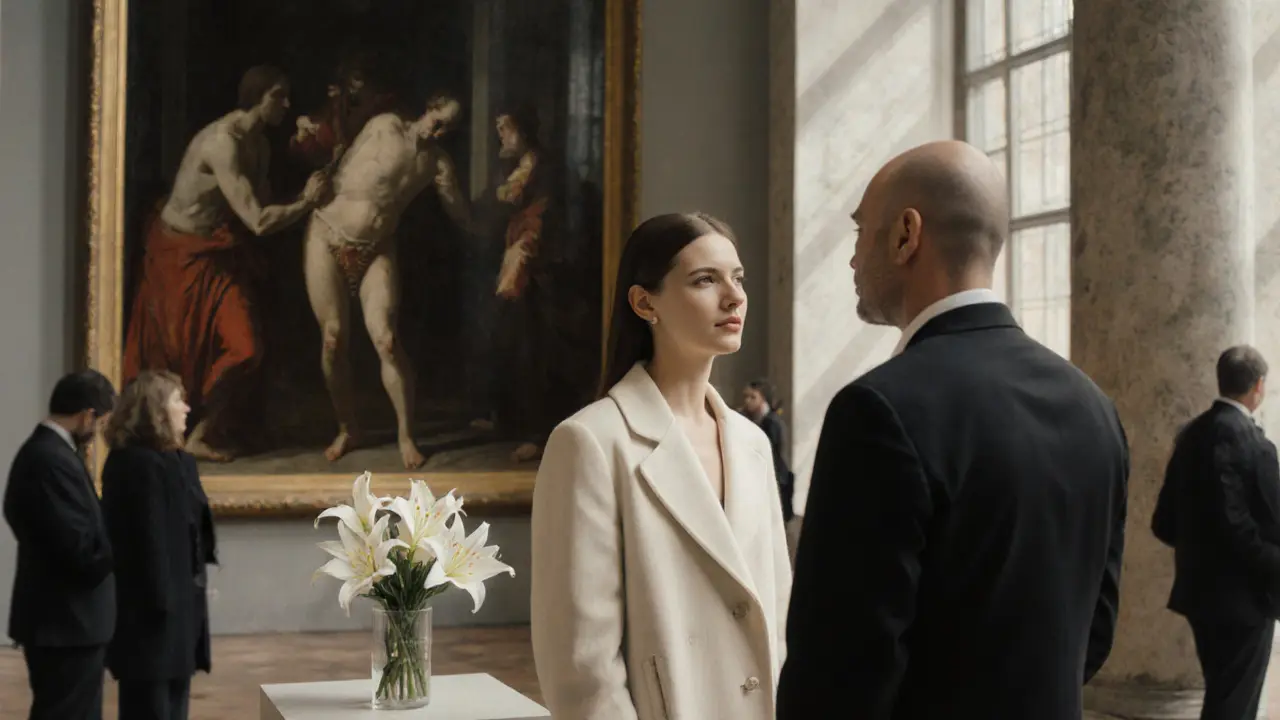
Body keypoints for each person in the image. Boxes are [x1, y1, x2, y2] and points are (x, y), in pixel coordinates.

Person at [777, 140, 1129, 719]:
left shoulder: (878, 410)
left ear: (905, 234)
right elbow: (1094, 633)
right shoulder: (1094, 407)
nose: (851, 259)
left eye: (861, 230)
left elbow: (838, 674)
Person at [530, 213, 791, 719]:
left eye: (737, 278)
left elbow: (778, 620)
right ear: (644, 302)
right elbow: (583, 669)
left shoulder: (753, 445)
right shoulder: (589, 443)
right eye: (704, 280)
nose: (734, 296)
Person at [123, 65, 329, 461]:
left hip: (217, 253)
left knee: (246, 348)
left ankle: (203, 433)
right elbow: (259, 219)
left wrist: (306, 154)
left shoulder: (261, 145)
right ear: (257, 97)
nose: (287, 104)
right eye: (278, 96)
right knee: (175, 355)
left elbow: (263, 208)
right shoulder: (223, 142)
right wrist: (307, 202)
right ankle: (178, 431)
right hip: (177, 255)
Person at [300, 93, 470, 469]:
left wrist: (484, 226)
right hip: (327, 235)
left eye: (447, 128)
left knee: (388, 341)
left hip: (376, 249)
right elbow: (341, 163)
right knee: (333, 339)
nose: (438, 130)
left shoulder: (436, 163)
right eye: (437, 119)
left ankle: (406, 436)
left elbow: (458, 210)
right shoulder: (385, 126)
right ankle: (348, 429)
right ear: (428, 107)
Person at [1152, 345, 1280, 719]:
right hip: (1248, 598)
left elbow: (1164, 521)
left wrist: (1201, 553)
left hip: (1199, 595)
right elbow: (1260, 524)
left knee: (1222, 696)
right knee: (1234, 705)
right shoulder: (1255, 445)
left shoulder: (1191, 435)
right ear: (1259, 386)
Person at [100, 370, 218, 720]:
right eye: (178, 400)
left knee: (174, 703)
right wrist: (162, 603)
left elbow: (191, 531)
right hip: (149, 612)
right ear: (156, 410)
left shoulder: (180, 461)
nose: (187, 407)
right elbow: (146, 541)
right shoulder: (133, 464)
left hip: (180, 605)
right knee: (149, 705)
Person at [4, 369, 118, 720]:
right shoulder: (49, 458)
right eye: (98, 423)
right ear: (88, 414)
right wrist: (122, 544)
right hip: (66, 623)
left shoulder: (50, 453)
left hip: (66, 621)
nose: (96, 432)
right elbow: (78, 550)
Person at [741, 379, 794, 523]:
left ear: (763, 399)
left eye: (752, 397)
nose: (747, 401)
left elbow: (774, 457)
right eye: (745, 396)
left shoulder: (771, 422)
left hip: (775, 483)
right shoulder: (753, 419)